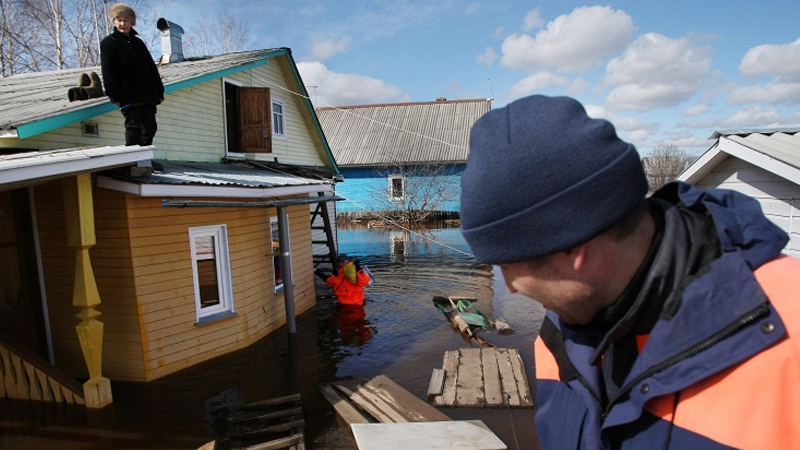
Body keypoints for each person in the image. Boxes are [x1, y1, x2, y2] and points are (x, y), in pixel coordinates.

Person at [459, 95, 800, 449]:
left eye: (508, 265)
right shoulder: (557, 337)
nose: (510, 287)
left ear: (574, 247)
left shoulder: (788, 334)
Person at [100, 3, 164, 146]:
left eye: (126, 20)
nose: (123, 23)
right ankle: (132, 163)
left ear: (131, 22)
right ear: (114, 22)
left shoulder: (138, 43)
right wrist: (114, 95)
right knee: (133, 127)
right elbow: (108, 71)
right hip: (126, 93)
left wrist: (159, 91)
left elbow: (151, 68)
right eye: (119, 20)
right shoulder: (109, 43)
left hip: (146, 94)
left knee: (150, 127)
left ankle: (143, 160)